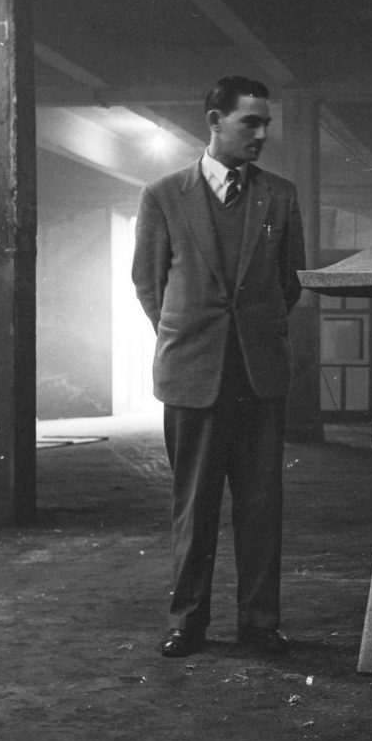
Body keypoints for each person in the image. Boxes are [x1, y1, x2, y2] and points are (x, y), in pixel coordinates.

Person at [132, 76, 305, 658]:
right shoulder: (163, 195)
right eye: (248, 123)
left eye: (266, 124)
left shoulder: (280, 196)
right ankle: (189, 621)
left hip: (259, 376)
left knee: (261, 503)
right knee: (194, 503)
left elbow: (289, 283)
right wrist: (192, 338)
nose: (260, 134)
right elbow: (148, 285)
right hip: (193, 374)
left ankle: (259, 622)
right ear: (214, 120)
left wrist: (250, 333)